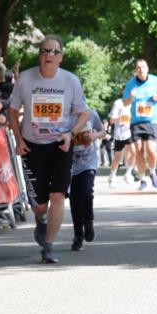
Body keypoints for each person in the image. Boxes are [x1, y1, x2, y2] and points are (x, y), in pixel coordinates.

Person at [8, 35, 90, 264]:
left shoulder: (71, 81)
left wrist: (71, 133)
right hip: (32, 145)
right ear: (39, 55)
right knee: (39, 205)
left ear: (61, 57)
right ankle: (40, 219)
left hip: (60, 145)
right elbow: (13, 111)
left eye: (54, 52)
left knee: (58, 195)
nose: (48, 55)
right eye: (44, 51)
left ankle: (49, 245)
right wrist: (18, 138)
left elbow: (84, 113)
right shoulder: (25, 78)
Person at [122, 59, 157, 190]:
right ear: (136, 70)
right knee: (138, 151)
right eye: (138, 68)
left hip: (152, 120)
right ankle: (142, 178)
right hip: (136, 122)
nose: (141, 70)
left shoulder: (155, 80)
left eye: (143, 67)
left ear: (147, 68)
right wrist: (131, 97)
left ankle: (152, 172)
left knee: (152, 150)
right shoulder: (131, 84)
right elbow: (125, 103)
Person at [68, 107, 105, 251]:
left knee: (86, 193)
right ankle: (78, 234)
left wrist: (93, 136)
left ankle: (88, 222)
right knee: (74, 199)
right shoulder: (63, 115)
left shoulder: (91, 113)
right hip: (70, 163)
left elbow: (103, 131)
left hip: (88, 161)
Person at [106, 96, 136, 187]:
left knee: (134, 152)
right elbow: (111, 120)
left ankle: (128, 173)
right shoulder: (118, 103)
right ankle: (112, 176)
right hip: (119, 134)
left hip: (128, 132)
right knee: (118, 157)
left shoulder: (133, 103)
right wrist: (121, 117)